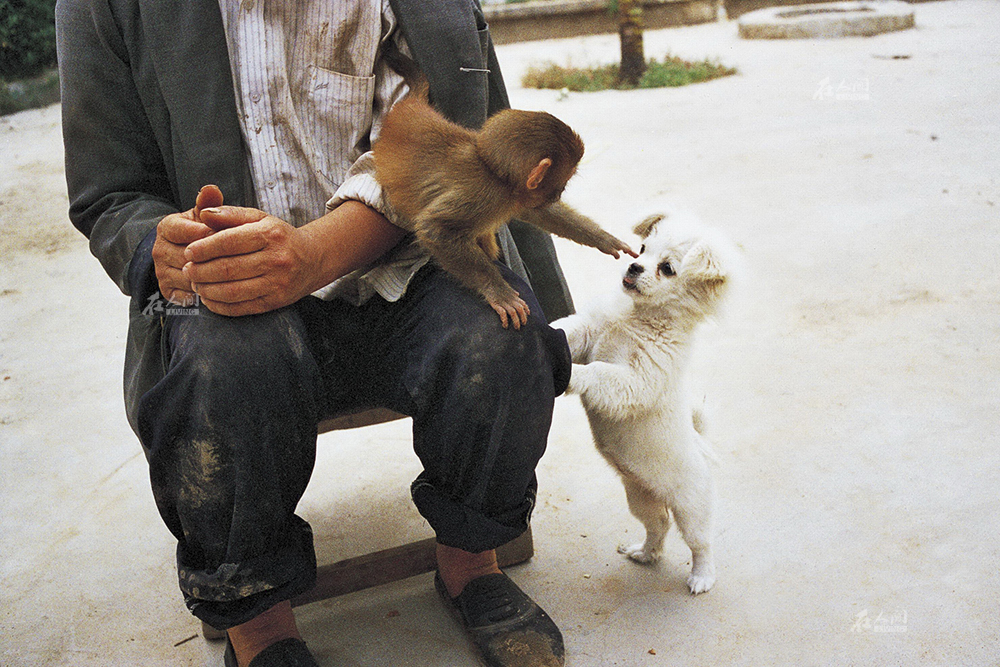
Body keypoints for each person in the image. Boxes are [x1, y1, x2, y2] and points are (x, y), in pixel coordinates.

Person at [56, 1, 577, 666]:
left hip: (402, 262)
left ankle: (472, 558)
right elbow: (110, 193)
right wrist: (158, 243)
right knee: (220, 372)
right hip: (236, 296)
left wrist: (312, 256)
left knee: (505, 337)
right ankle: (260, 620)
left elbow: (446, 147)